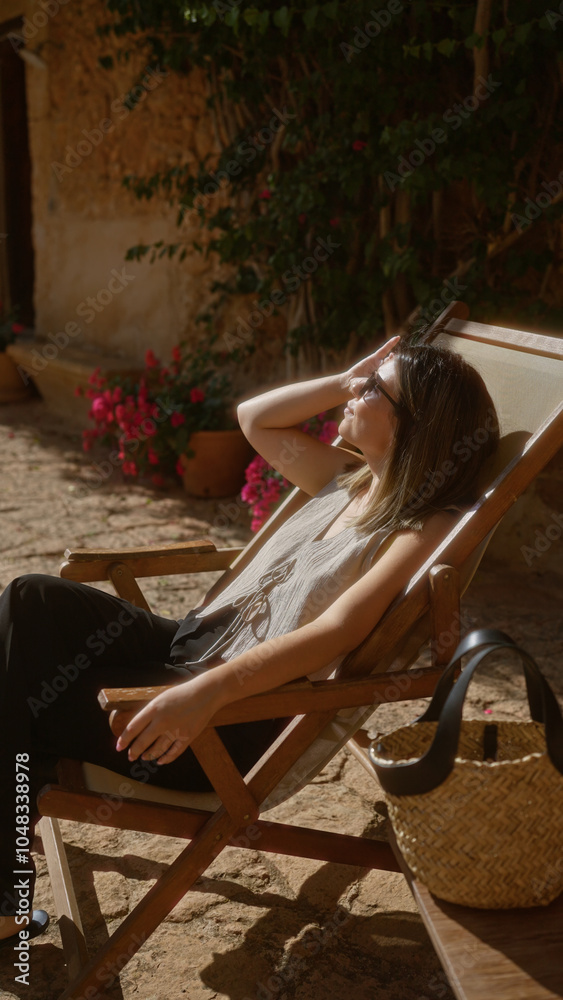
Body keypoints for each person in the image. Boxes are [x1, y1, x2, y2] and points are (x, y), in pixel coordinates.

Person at [0, 334, 499, 944]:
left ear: (413, 427)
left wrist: (207, 694)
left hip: (231, 718)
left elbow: (337, 631)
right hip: (191, 645)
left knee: (22, 692)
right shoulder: (347, 480)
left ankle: (4, 894)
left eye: (374, 389)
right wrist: (347, 379)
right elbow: (254, 418)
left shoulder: (422, 527)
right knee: (31, 600)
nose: (355, 389)